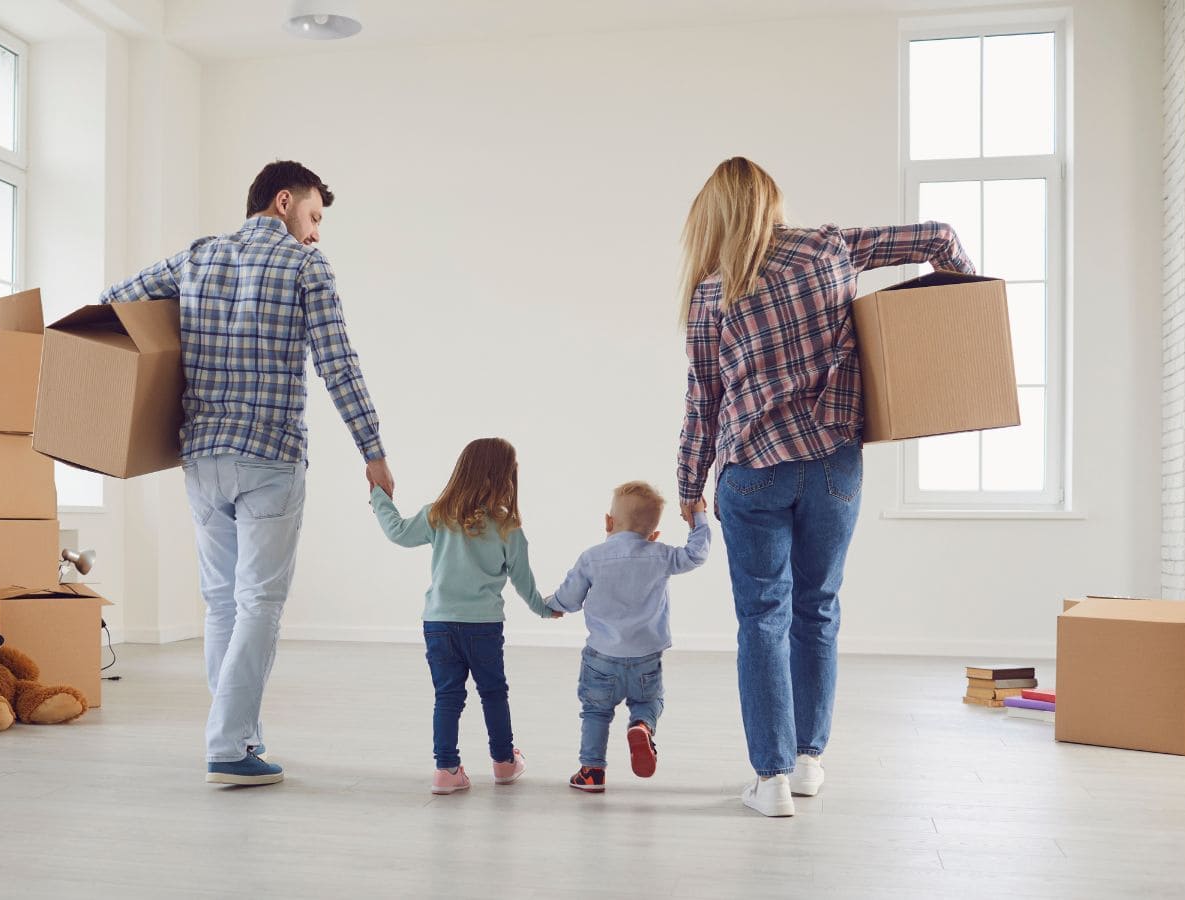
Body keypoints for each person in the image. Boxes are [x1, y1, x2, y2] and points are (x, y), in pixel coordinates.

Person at [675, 157, 974, 816]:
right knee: (818, 611)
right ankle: (809, 761)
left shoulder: (710, 294)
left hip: (753, 472)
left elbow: (705, 400)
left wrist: (689, 484)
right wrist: (960, 318)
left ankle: (772, 779)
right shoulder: (831, 247)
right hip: (835, 466)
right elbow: (940, 237)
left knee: (762, 621)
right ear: (772, 203)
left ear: (716, 216)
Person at [100, 160, 394, 787]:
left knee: (220, 604)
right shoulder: (305, 266)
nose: (316, 233)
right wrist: (372, 449)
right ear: (284, 202)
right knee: (259, 601)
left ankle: (240, 734)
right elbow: (338, 364)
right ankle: (230, 746)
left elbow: (113, 303)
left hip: (202, 456)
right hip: (269, 456)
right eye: (313, 216)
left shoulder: (197, 258)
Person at [369, 437, 559, 794]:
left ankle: (446, 770)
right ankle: (504, 763)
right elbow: (524, 582)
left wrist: (379, 495)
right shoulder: (508, 527)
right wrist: (545, 609)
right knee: (493, 692)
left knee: (447, 696)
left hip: (438, 624)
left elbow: (397, 532)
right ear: (505, 477)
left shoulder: (437, 514)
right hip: (484, 627)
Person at [543, 481, 711, 793]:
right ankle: (642, 726)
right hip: (646, 657)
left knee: (596, 711)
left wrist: (550, 606)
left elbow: (570, 597)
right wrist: (698, 517)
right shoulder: (660, 554)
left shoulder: (592, 558)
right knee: (648, 701)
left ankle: (592, 771)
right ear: (654, 534)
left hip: (601, 658)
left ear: (608, 522)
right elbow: (696, 554)